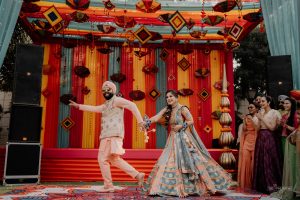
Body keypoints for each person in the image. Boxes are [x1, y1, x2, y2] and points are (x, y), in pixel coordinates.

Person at [142, 90, 232, 197]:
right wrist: (146, 122)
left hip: (184, 138)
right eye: (167, 97)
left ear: (177, 97)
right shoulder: (167, 109)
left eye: (171, 96)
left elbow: (191, 120)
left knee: (190, 160)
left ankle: (194, 186)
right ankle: (166, 187)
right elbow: (156, 117)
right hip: (172, 139)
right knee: (168, 159)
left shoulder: (182, 108)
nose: (168, 99)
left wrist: (181, 126)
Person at [69, 81, 145, 192]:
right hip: (111, 135)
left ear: (113, 91)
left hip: (111, 135)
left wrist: (140, 122)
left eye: (108, 90)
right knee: (114, 159)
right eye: (103, 91)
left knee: (102, 159)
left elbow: (132, 105)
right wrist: (78, 106)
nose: (105, 92)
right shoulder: (106, 105)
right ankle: (138, 175)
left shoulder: (117, 100)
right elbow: (94, 108)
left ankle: (108, 186)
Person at [253, 95, 282, 194]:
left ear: (268, 102)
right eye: (260, 102)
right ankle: (262, 185)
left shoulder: (274, 112)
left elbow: (272, 128)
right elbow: (256, 129)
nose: (261, 103)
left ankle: (272, 184)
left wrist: (262, 118)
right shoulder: (260, 112)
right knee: (260, 160)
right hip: (260, 136)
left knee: (269, 160)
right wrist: (259, 119)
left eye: (263, 101)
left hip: (269, 137)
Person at [237, 103, 259, 190]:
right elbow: (244, 129)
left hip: (256, 140)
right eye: (249, 107)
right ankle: (245, 183)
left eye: (252, 107)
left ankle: (254, 182)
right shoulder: (247, 117)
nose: (250, 108)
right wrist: (244, 121)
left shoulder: (259, 117)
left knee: (253, 162)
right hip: (247, 140)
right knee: (245, 160)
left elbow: (258, 129)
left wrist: (252, 120)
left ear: (256, 108)